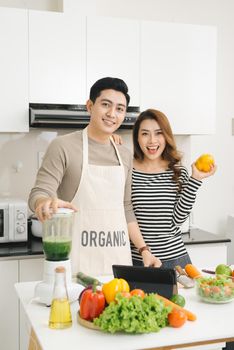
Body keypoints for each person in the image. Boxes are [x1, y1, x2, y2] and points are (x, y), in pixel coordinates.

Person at [28, 77, 160, 276]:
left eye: (119, 109)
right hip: (77, 263)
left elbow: (126, 207)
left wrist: (144, 250)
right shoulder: (63, 146)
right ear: (90, 106)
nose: (111, 114)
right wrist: (43, 203)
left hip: (118, 261)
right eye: (105, 104)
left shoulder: (124, 155)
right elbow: (40, 191)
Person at [129, 108, 217, 269]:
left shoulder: (178, 171)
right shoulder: (128, 170)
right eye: (145, 133)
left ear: (166, 136)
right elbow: (125, 214)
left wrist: (195, 180)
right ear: (137, 137)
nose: (152, 141)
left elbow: (176, 221)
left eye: (158, 133)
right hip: (138, 259)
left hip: (175, 260)